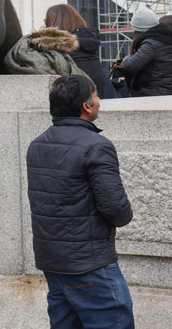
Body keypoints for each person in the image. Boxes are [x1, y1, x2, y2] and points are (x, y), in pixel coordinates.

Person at [27, 75, 134, 328]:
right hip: (90, 263)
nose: (99, 100)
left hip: (53, 261)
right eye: (96, 95)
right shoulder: (96, 146)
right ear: (86, 106)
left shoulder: (37, 144)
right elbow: (115, 207)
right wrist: (126, 216)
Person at [43, 3, 117, 98]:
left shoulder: (61, 48)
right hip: (96, 99)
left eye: (46, 22)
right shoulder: (89, 40)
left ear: (54, 24)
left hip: (77, 102)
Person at [112, 7, 172, 97]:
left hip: (156, 93)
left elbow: (130, 66)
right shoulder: (169, 39)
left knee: (118, 91)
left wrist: (124, 59)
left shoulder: (151, 44)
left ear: (137, 30)